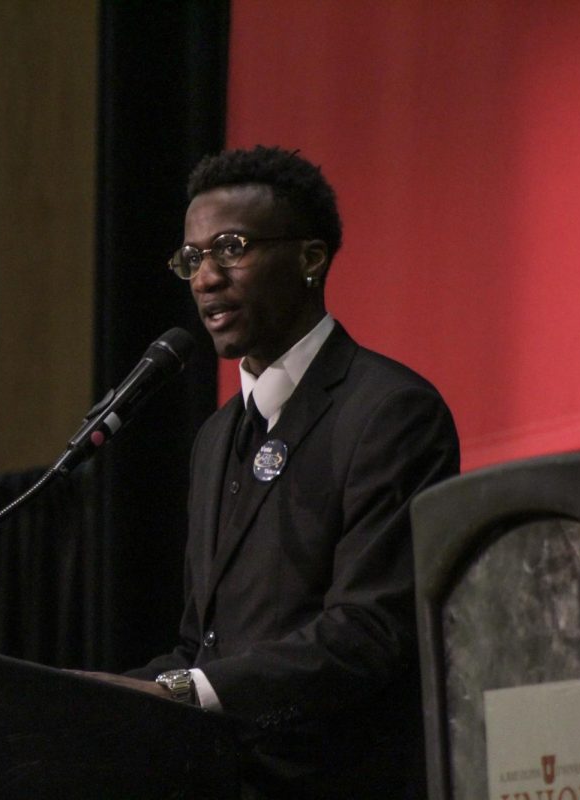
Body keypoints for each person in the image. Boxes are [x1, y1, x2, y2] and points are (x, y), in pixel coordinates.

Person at [83, 145, 460, 798]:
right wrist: (91, 697)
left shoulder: (390, 412)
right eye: (193, 258)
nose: (206, 278)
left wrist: (182, 690)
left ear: (311, 259)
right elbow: (203, 643)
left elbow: (369, 632)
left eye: (231, 247)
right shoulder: (216, 437)